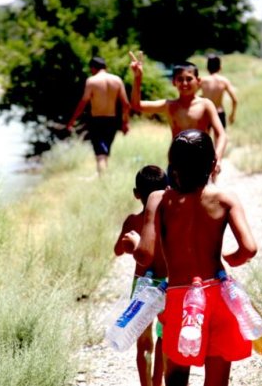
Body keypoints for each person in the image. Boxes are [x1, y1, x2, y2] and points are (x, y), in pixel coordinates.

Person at [130, 129, 258, 386]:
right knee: (217, 378)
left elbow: (145, 256)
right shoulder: (225, 198)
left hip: (180, 299)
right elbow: (249, 248)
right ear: (213, 164)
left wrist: (135, 243)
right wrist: (232, 259)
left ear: (172, 166)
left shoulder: (159, 199)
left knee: (177, 378)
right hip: (218, 294)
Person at [128, 52, 226, 178]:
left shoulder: (206, 105)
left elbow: (221, 134)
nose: (184, 83)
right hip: (176, 164)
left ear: (198, 81)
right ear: (174, 82)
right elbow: (137, 105)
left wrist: (218, 158)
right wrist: (137, 78)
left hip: (201, 163)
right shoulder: (169, 105)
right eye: (180, 79)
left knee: (201, 197)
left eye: (189, 79)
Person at [114, 165, 169, 386]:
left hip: (142, 285)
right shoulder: (169, 221)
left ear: (136, 194)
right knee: (164, 338)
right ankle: (158, 382)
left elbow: (118, 250)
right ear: (166, 189)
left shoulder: (132, 221)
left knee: (144, 343)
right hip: (167, 283)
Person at [66, 56, 131, 175]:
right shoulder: (117, 80)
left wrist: (72, 121)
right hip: (112, 120)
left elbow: (83, 103)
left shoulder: (92, 81)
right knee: (105, 151)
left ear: (93, 68)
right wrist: (125, 122)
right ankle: (104, 176)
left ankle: (103, 179)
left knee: (100, 154)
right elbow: (126, 104)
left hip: (97, 121)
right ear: (105, 67)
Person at [200, 55, 238, 128]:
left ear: (207, 68)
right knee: (220, 137)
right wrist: (232, 115)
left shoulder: (202, 80)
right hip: (219, 112)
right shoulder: (224, 81)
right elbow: (234, 100)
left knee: (204, 138)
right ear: (220, 67)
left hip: (205, 113)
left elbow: (191, 95)